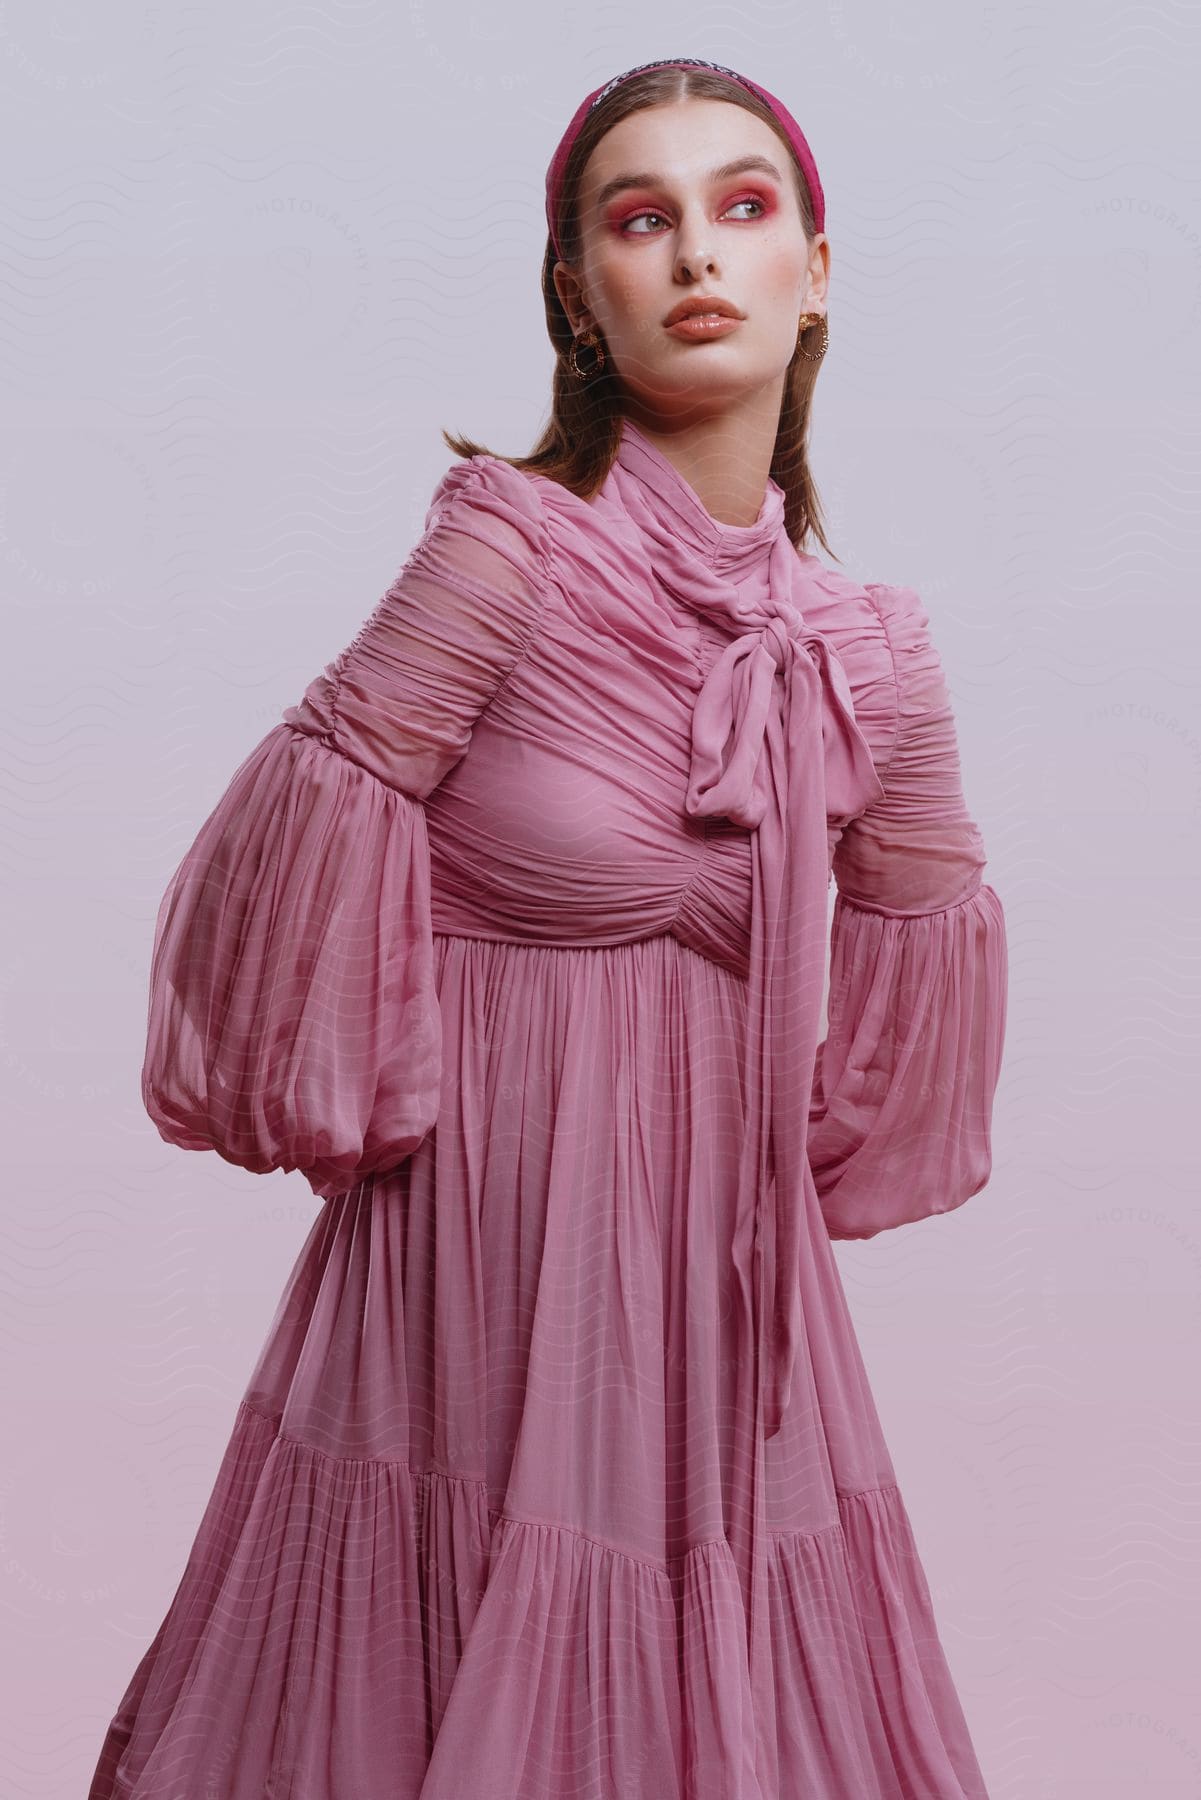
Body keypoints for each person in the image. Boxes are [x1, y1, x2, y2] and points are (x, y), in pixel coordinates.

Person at [88, 56, 1008, 1800]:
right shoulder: (502, 552)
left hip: (722, 1314)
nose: (693, 258)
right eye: (636, 221)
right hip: (472, 1277)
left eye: (743, 210)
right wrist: (376, 1097)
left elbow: (913, 995)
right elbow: (277, 871)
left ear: (819, 267)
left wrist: (768, 1153)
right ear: (576, 296)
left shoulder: (871, 648)